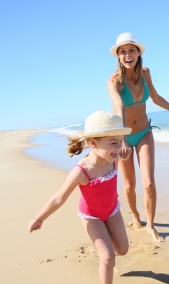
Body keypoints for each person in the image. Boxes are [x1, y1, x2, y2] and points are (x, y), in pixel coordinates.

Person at [28, 111, 132, 284]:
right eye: (113, 143)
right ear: (93, 143)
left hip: (112, 210)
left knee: (123, 249)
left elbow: (118, 155)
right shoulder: (82, 171)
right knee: (108, 257)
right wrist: (39, 218)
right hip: (92, 216)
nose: (119, 147)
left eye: (120, 141)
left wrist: (122, 155)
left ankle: (106, 242)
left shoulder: (114, 158)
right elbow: (58, 198)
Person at [107, 32, 169, 242]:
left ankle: (151, 225)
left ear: (138, 53)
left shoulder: (145, 73)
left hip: (144, 132)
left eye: (131, 50)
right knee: (128, 186)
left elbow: (156, 97)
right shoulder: (114, 81)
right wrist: (123, 139)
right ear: (118, 55)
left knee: (149, 183)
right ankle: (135, 216)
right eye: (123, 51)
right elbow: (119, 109)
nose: (127, 55)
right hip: (123, 136)